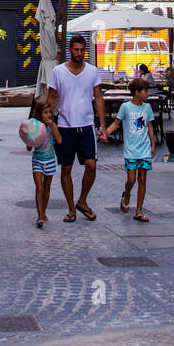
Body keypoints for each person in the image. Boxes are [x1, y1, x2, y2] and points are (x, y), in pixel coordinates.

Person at [47, 33, 107, 222]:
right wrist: (48, 123)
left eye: (82, 50)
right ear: (70, 50)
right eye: (76, 50)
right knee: (66, 169)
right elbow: (51, 97)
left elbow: (98, 97)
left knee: (91, 165)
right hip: (65, 126)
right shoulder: (58, 72)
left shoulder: (92, 71)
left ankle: (82, 200)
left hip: (86, 125)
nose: (79, 53)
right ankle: (71, 208)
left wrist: (103, 126)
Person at [103, 77, 155, 222]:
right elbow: (116, 123)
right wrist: (106, 133)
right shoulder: (125, 107)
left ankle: (138, 211)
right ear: (137, 92)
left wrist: (153, 144)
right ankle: (127, 194)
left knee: (142, 179)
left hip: (144, 148)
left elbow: (150, 126)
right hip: (131, 150)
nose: (148, 94)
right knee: (131, 179)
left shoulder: (147, 108)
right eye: (145, 91)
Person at [29, 100, 61, 229]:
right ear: (39, 113)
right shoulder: (35, 126)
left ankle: (43, 211)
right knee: (39, 187)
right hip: (37, 159)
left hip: (50, 160)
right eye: (45, 113)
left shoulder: (52, 126)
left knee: (47, 187)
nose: (48, 115)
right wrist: (30, 139)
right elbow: (29, 147)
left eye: (49, 113)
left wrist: (53, 127)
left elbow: (59, 140)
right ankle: (40, 215)